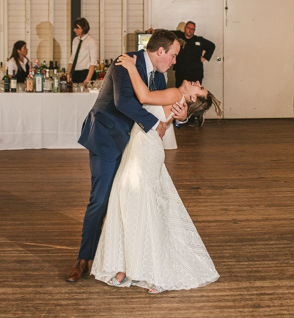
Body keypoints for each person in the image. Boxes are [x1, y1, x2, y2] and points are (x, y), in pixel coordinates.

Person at [91, 52, 221, 293]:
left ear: (192, 97)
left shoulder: (175, 93)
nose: (196, 83)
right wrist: (178, 118)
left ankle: (146, 269)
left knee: (135, 202)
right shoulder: (176, 97)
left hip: (145, 150)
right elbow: (163, 121)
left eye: (199, 88)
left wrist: (130, 67)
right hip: (144, 146)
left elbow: (144, 96)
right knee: (138, 204)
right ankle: (133, 266)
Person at [66, 30, 188, 284]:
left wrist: (181, 116)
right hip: (107, 137)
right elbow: (123, 102)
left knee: (124, 203)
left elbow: (161, 105)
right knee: (100, 201)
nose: (174, 61)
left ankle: (118, 260)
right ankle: (83, 258)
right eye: (173, 55)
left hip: (134, 145)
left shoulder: (161, 75)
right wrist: (156, 125)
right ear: (161, 51)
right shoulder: (125, 62)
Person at [147, 22, 215, 125]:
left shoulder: (199, 40)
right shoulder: (177, 36)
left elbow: (212, 46)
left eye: (193, 29)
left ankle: (191, 120)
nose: (190, 30)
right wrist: (154, 31)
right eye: (189, 28)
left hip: (195, 72)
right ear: (185, 28)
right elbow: (166, 34)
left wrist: (205, 57)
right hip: (181, 72)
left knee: (191, 100)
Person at [68, 18, 98, 88]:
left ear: (84, 28)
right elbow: (72, 58)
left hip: (86, 73)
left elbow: (93, 62)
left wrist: (88, 79)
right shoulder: (75, 40)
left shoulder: (92, 41)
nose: (74, 30)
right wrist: (68, 73)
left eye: (77, 28)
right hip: (75, 73)